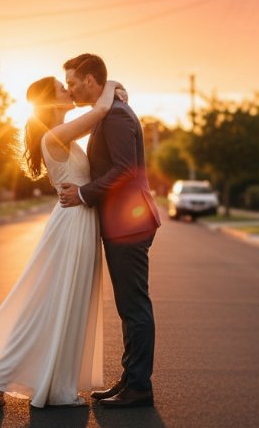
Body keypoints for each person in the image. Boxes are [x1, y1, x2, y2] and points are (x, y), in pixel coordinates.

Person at [0, 76, 122, 408]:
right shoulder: (55, 136)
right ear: (50, 102)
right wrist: (113, 83)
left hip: (80, 221)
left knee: (68, 301)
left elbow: (100, 116)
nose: (71, 92)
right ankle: (5, 373)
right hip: (72, 225)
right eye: (64, 90)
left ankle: (50, 381)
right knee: (58, 301)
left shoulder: (64, 134)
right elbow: (103, 108)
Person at [58, 53, 160, 409]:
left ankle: (138, 388)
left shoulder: (116, 116)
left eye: (72, 82)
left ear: (90, 80)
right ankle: (130, 379)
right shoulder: (111, 109)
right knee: (128, 306)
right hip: (123, 223)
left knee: (134, 307)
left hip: (128, 224)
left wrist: (84, 193)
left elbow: (123, 172)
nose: (70, 90)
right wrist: (115, 86)